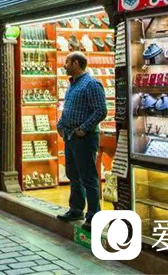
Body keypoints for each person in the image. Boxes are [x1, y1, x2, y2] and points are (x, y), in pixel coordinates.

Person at [56, 51, 107, 230]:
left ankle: (94, 215)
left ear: (76, 63)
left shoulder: (91, 84)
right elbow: (68, 108)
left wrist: (83, 129)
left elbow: (100, 111)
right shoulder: (73, 84)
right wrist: (61, 125)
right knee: (73, 174)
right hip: (70, 136)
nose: (64, 65)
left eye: (67, 62)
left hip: (84, 138)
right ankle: (76, 209)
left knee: (88, 177)